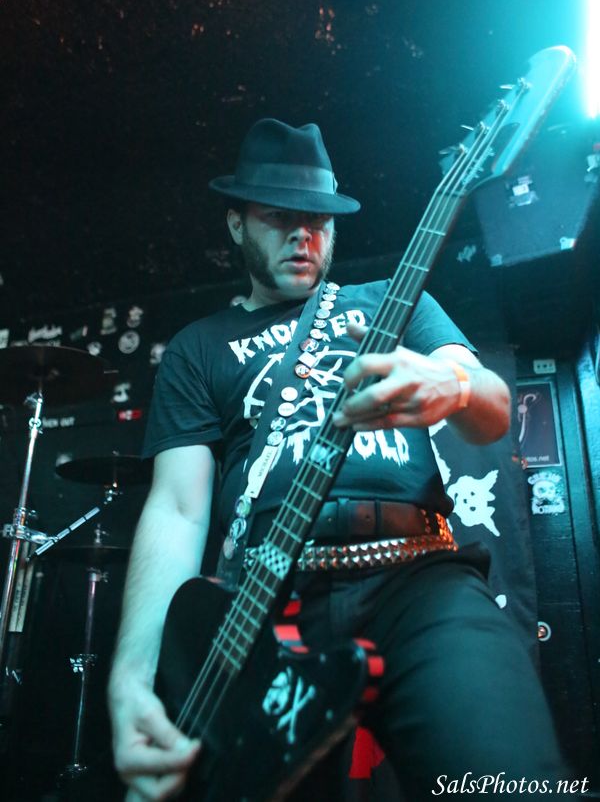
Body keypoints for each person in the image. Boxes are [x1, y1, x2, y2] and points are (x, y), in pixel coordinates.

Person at [108, 119, 566, 802]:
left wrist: (454, 385)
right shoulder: (198, 348)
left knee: (511, 778)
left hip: (415, 575)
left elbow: (494, 408)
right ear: (236, 224)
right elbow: (177, 508)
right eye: (278, 217)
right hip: (263, 598)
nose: (303, 235)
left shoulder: (393, 301)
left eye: (318, 220)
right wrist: (132, 676)